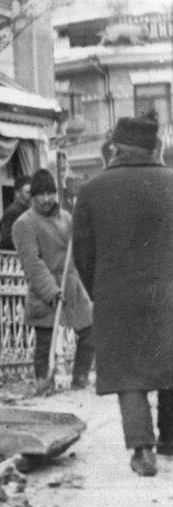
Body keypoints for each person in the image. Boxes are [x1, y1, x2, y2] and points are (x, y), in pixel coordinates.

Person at [72, 116, 173, 477]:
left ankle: (142, 449)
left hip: (117, 295)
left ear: (115, 148)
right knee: (169, 364)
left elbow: (82, 254)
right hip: (169, 293)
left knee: (131, 373)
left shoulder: (92, 189)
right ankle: (171, 442)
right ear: (154, 147)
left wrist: (101, 287)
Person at [11, 168, 94, 393]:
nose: (46, 199)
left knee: (90, 331)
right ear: (32, 197)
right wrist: (52, 292)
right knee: (45, 342)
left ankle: (79, 379)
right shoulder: (24, 224)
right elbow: (32, 263)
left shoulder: (66, 218)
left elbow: (78, 251)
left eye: (51, 193)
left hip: (72, 286)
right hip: (44, 291)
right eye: (41, 195)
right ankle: (43, 384)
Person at [0, 175, 32, 251]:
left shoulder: (28, 211)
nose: (31, 196)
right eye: (28, 192)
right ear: (18, 194)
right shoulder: (13, 212)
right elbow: (7, 240)